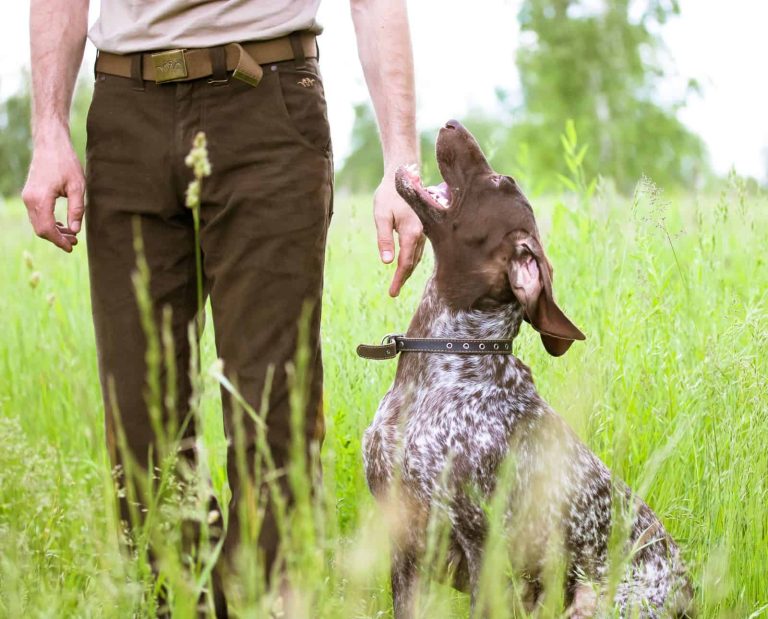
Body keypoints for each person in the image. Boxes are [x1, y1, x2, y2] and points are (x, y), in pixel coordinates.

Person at [22, 0, 423, 614]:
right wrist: (48, 129)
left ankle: (263, 604)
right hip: (127, 112)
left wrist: (401, 157)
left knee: (274, 418)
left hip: (267, 106)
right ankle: (179, 604)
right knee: (140, 419)